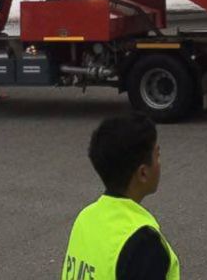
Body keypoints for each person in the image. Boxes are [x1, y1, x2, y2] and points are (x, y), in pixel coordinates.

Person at [62, 113, 179, 280]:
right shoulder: (143, 243)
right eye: (157, 155)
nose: (160, 162)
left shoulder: (85, 218)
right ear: (143, 173)